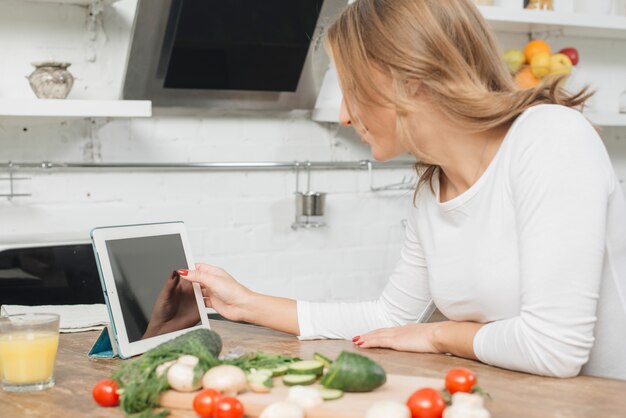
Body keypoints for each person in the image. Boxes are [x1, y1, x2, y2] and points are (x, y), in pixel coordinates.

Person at [178, 0, 626, 380]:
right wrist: (248, 303)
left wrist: (439, 335)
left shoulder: (549, 139)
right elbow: (390, 319)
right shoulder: (434, 188)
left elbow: (556, 348)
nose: (344, 116)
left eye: (351, 89)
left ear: (409, 80)